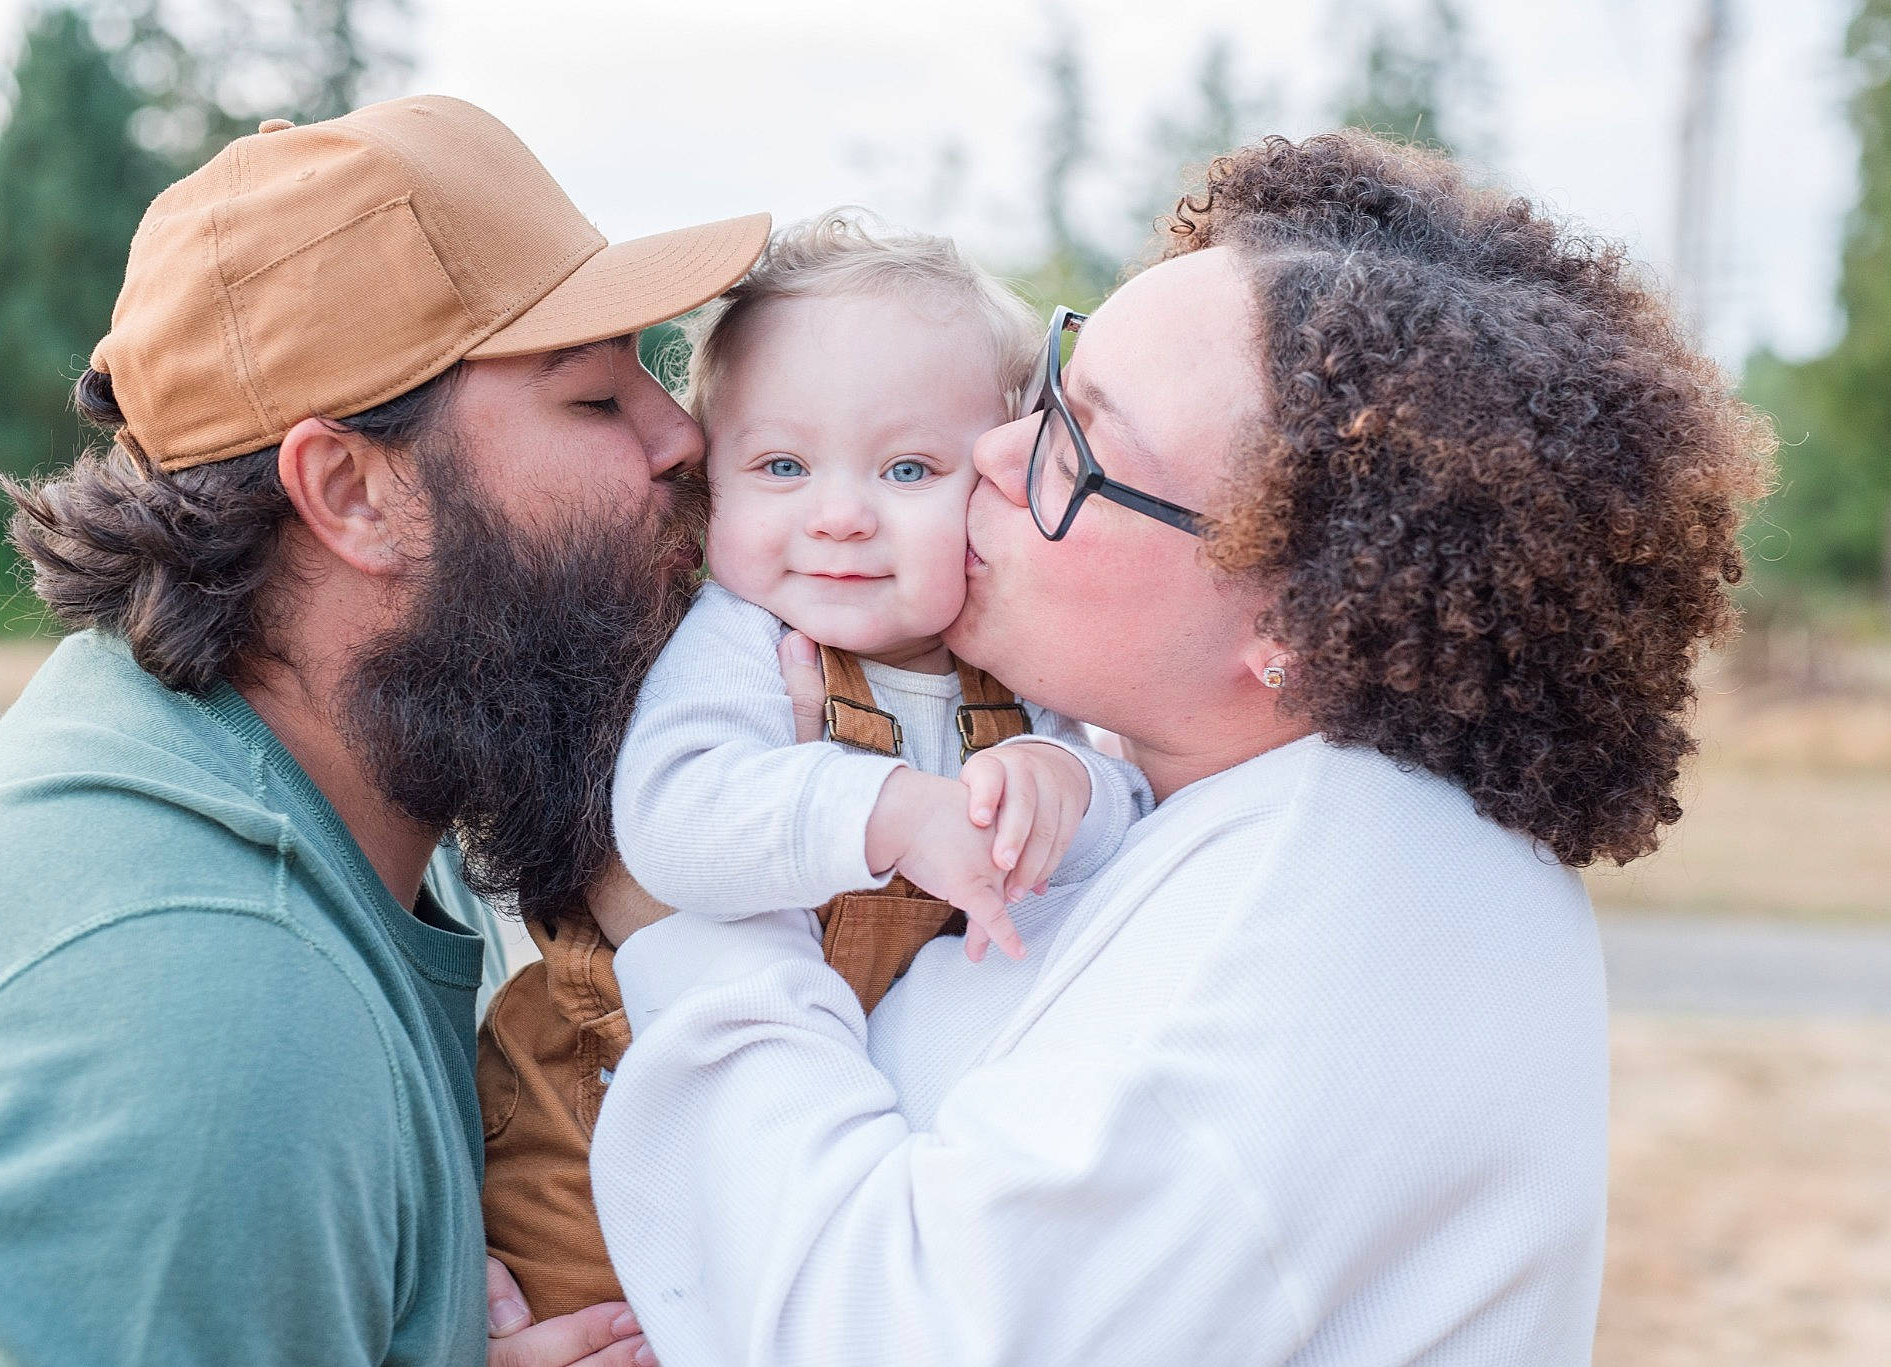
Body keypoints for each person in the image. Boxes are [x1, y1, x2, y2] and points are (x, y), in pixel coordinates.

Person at [557, 132, 1775, 1364]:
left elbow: (893, 1328)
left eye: (1075, 447)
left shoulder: (1350, 893)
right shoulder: (1208, 806)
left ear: (1297, 615)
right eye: (1048, 390)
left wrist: (683, 925)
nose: (987, 452)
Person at [0, 94, 768, 1366]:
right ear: (352, 491)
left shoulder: (318, 781)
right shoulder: (206, 1033)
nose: (684, 438)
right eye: (594, 398)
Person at [476, 211, 1152, 1322]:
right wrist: (886, 807)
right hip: (600, 1106)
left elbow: (1122, 808)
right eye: (782, 464)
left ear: (995, 478)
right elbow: (672, 816)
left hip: (842, 1119)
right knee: (596, 1328)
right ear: (714, 489)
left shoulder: (1010, 667)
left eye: (906, 466)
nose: (838, 516)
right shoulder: (742, 639)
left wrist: (1056, 780)